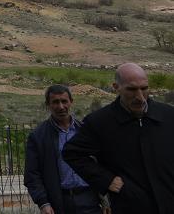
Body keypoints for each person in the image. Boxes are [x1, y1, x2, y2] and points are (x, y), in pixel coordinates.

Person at [63, 63, 174, 214]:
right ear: (116, 87)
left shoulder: (168, 115)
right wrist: (106, 179)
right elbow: (72, 153)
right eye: (131, 89)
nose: (140, 97)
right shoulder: (100, 122)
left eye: (144, 88)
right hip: (130, 207)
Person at [24, 85, 103, 214]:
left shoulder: (84, 131)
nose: (61, 107)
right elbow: (32, 174)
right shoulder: (38, 136)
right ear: (48, 105)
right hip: (59, 202)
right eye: (55, 102)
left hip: (89, 199)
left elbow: (100, 164)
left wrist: (105, 198)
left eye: (64, 101)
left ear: (71, 102)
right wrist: (43, 203)